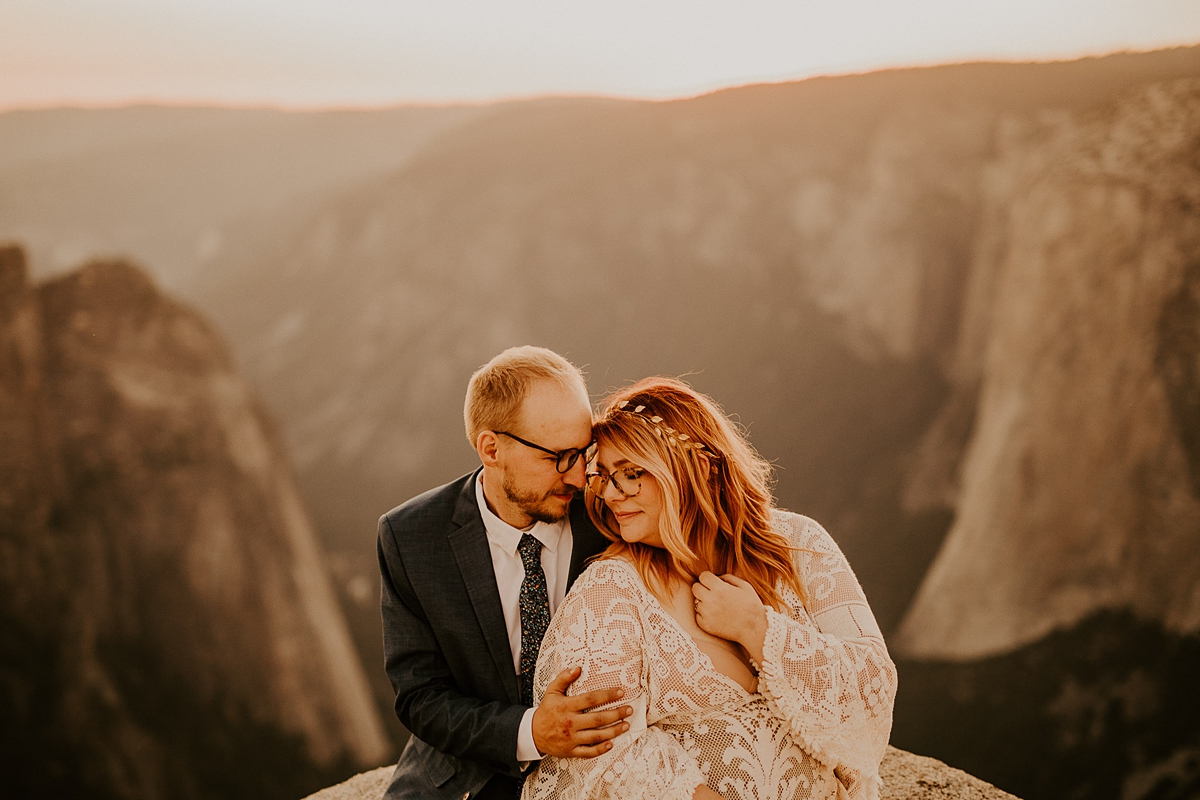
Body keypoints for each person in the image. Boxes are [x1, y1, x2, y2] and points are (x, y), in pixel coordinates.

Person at [522, 378, 897, 800]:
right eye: (604, 477)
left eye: (630, 474)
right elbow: (605, 752)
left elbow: (872, 685)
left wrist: (759, 629)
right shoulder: (609, 591)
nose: (610, 493)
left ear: (691, 467)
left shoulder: (800, 545)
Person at [377, 346, 635, 800]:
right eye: (558, 457)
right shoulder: (410, 537)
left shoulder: (612, 513)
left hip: (608, 761)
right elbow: (420, 696)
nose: (578, 478)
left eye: (584, 452)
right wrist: (529, 732)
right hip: (464, 770)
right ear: (491, 448)